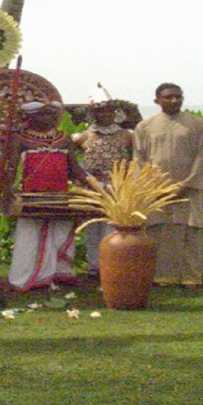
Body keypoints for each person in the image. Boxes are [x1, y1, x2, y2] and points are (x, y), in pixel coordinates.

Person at [133, 83, 203, 288]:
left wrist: (187, 184)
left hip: (189, 188)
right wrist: (154, 186)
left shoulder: (198, 125)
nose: (174, 100)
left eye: (178, 97)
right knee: (159, 231)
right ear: (157, 101)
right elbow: (139, 159)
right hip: (156, 189)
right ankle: (162, 277)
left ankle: (191, 278)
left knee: (190, 230)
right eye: (168, 97)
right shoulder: (145, 127)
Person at [5, 99, 87, 290]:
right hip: (31, 197)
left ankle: (56, 274)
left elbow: (75, 169)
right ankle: (25, 278)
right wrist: (8, 190)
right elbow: (11, 167)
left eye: (51, 114)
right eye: (43, 114)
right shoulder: (20, 139)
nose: (49, 118)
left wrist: (93, 187)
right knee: (29, 236)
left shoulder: (64, 139)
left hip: (59, 197)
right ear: (30, 118)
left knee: (59, 233)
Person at [72, 98, 133, 281]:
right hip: (93, 185)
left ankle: (113, 262)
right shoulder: (82, 137)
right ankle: (94, 266)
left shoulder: (127, 135)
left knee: (113, 225)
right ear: (93, 114)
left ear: (116, 114)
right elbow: (71, 160)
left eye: (109, 111)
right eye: (100, 111)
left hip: (117, 185)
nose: (105, 115)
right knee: (92, 226)